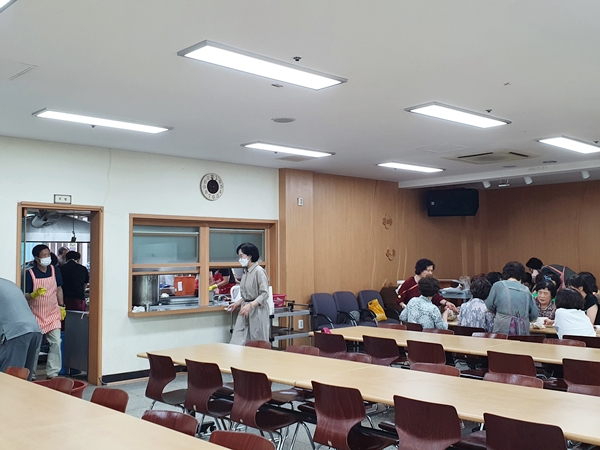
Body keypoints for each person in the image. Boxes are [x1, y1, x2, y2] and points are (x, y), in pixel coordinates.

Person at [25, 244, 65, 379]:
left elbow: (59, 289)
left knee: (56, 342)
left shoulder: (55, 270)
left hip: (53, 312)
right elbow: (24, 295)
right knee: (35, 346)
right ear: (37, 258)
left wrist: (62, 306)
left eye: (48, 254)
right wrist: (33, 295)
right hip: (36, 314)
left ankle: (52, 373)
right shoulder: (29, 273)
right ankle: (31, 374)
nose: (47, 257)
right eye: (44, 255)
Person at [0, 277, 43, 381]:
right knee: (24, 379)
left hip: (16, 333)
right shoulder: (8, 284)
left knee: (10, 379)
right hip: (34, 330)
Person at [228, 243, 270, 345]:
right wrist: (237, 303)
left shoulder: (259, 272)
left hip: (257, 310)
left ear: (250, 256)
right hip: (245, 309)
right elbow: (248, 294)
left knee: (257, 341)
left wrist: (250, 305)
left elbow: (264, 294)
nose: (240, 259)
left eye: (241, 256)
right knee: (237, 340)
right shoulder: (245, 272)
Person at [485, 261, 538, 335]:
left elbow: (489, 306)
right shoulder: (526, 290)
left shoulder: (498, 286)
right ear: (521, 276)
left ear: (505, 273)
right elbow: (534, 315)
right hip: (522, 331)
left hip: (502, 328)